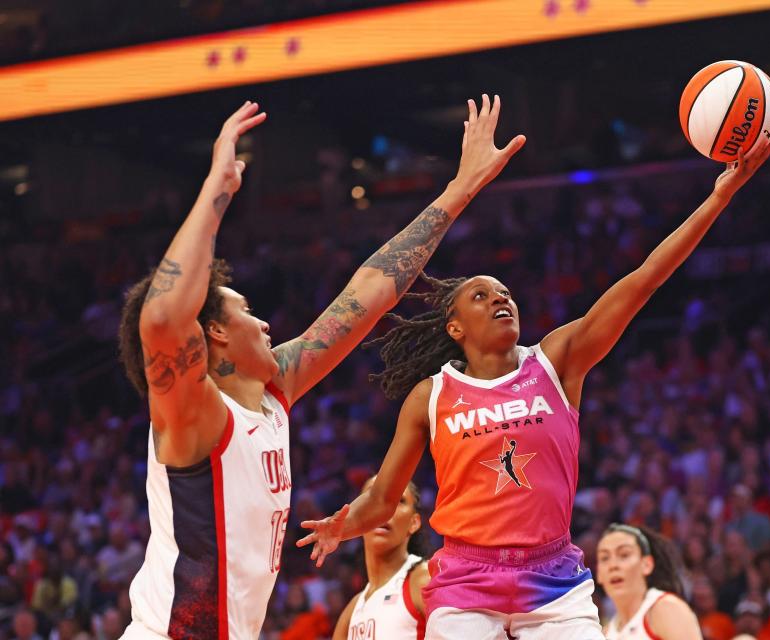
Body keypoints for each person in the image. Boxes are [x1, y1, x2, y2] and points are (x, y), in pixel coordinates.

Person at [299, 130, 770, 639]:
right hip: (465, 580)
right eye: (481, 297)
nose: (500, 299)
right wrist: (342, 525)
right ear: (454, 327)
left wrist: (718, 197)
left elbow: (644, 280)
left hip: (552, 578)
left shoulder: (556, 361)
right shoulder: (431, 395)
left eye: (505, 292)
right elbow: (382, 498)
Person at [116, 95, 525, 640]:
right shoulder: (191, 414)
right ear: (214, 333)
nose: (264, 326)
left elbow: (370, 293)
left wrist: (460, 188)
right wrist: (216, 191)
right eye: (247, 313)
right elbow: (163, 317)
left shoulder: (272, 390)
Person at [333, 477, 430, 640]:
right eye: (373, 497)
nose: (385, 510)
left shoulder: (424, 580)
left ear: (414, 522)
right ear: (356, 518)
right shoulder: (352, 611)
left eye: (399, 500)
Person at [596, 524, 701, 640]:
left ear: (647, 564)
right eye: (605, 558)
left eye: (624, 555)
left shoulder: (665, 608)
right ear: (599, 574)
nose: (613, 565)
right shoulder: (606, 634)